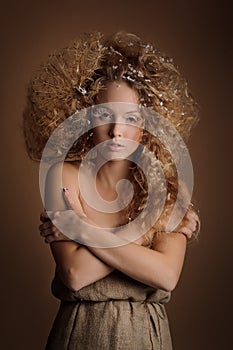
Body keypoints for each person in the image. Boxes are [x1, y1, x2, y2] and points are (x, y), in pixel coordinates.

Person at [23, 31, 200, 349]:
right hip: (80, 334)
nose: (117, 131)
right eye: (104, 115)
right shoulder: (63, 174)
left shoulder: (172, 187)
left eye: (131, 118)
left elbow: (166, 276)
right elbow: (75, 273)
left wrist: (79, 229)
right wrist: (149, 225)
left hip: (147, 336)